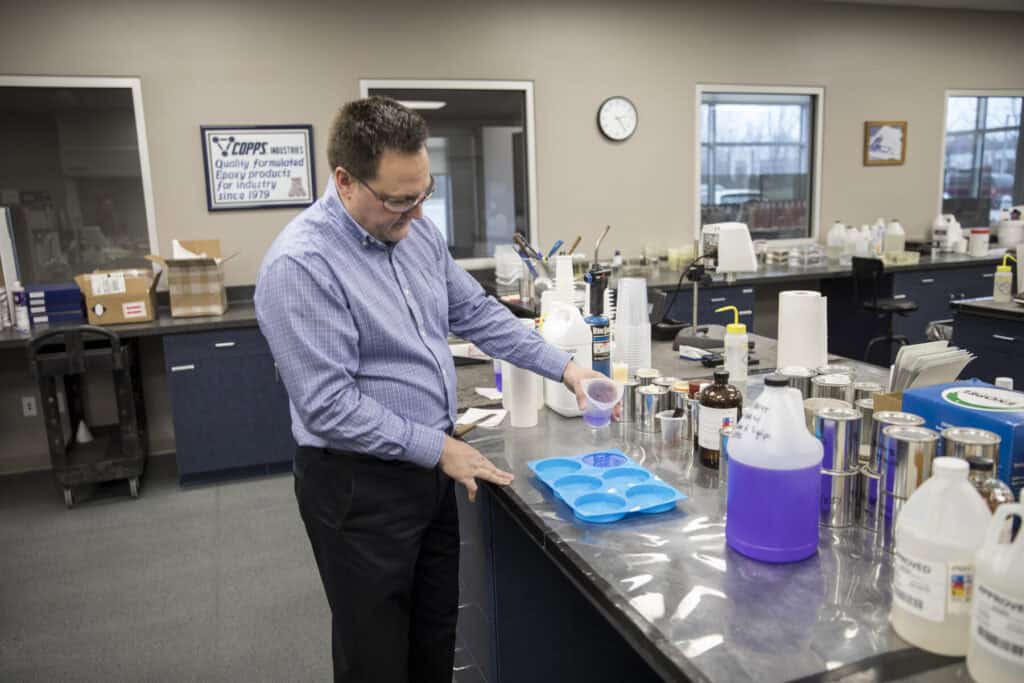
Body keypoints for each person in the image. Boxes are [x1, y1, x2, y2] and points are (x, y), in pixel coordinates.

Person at [254, 97, 609, 683]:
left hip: (428, 471)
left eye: (425, 194)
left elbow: (475, 312)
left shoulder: (415, 231)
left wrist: (568, 369)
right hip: (357, 486)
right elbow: (328, 407)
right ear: (344, 181)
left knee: (434, 637)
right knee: (376, 657)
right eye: (400, 199)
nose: (417, 213)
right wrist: (441, 447)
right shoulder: (301, 266)